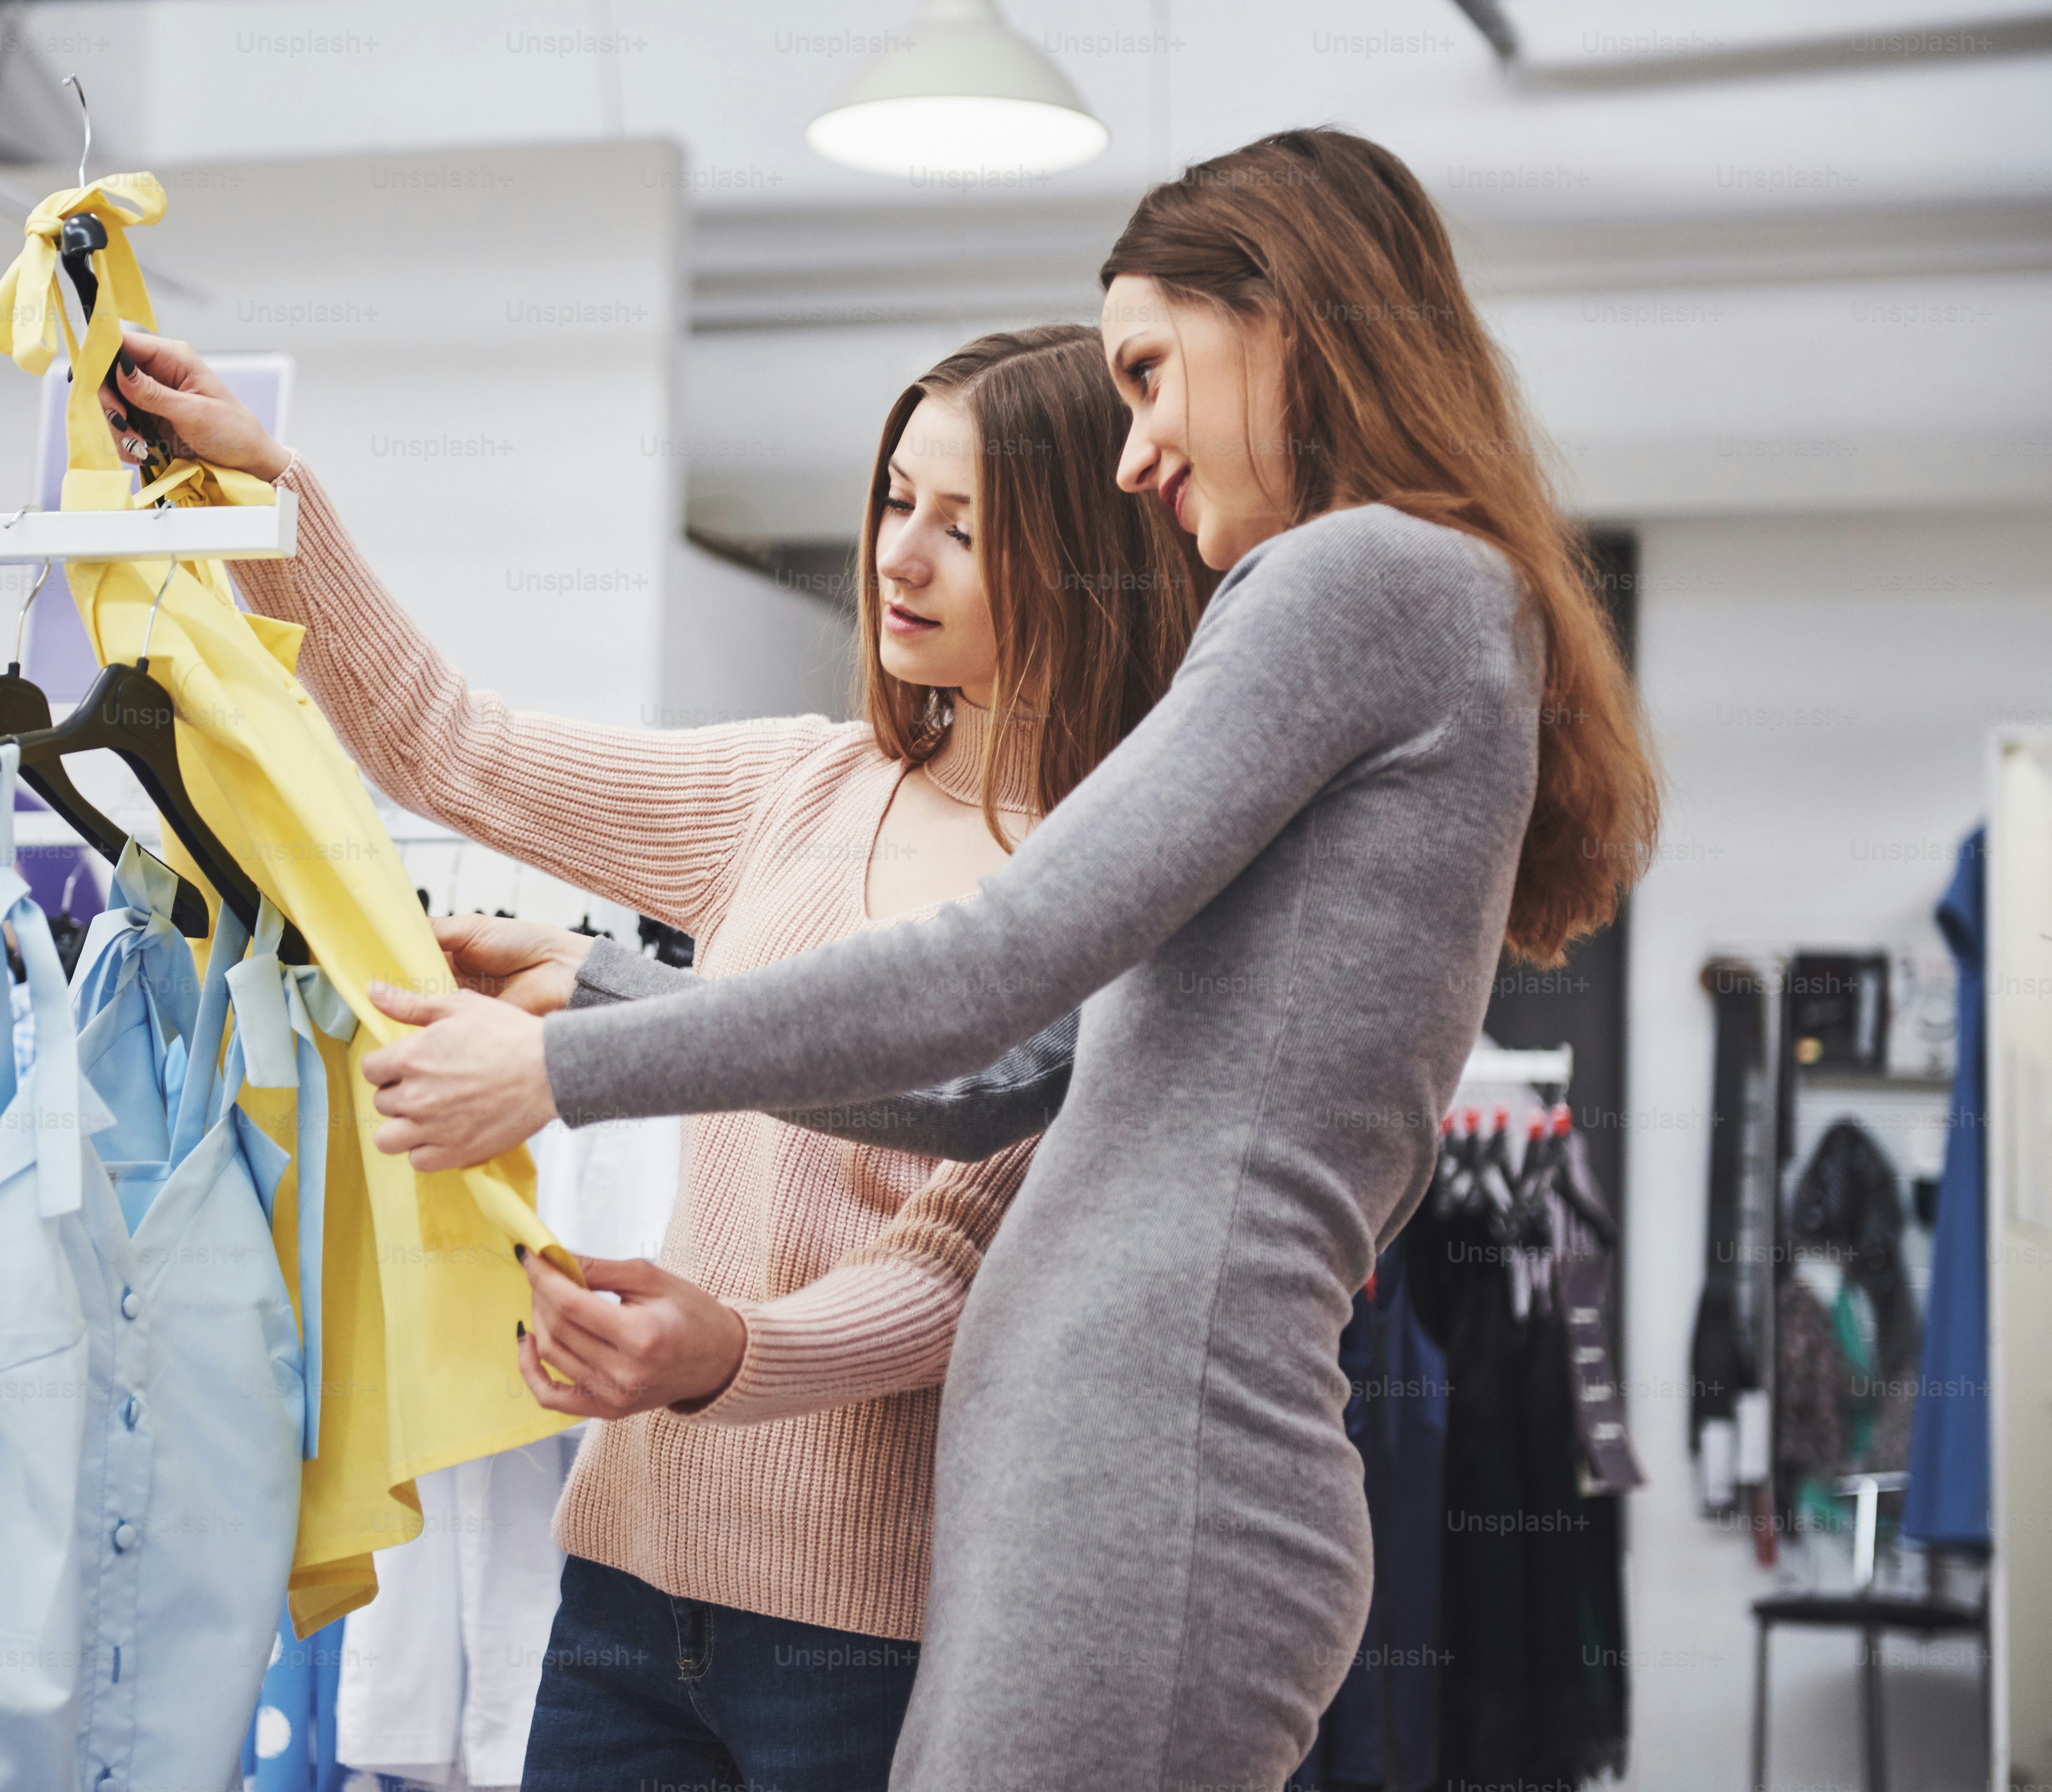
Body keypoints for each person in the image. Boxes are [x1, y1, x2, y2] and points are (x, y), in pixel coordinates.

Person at [350, 127, 1660, 1791]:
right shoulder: (1410, 604)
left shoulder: (1360, 577)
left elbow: (1003, 960)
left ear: (1286, 320)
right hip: (1104, 1471)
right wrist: (599, 988)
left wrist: (557, 1075)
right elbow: (1000, 1082)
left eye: (1147, 374)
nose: (1133, 455)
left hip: (1151, 1468)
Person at [98, 323, 1210, 1790]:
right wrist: (269, 487)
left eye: (967, 529)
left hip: (874, 1633)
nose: (901, 558)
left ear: (1079, 557)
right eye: (895, 501)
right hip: (626, 1589)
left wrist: (731, 1351)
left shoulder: (1106, 882)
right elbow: (451, 746)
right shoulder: (799, 789)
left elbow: (959, 1265)